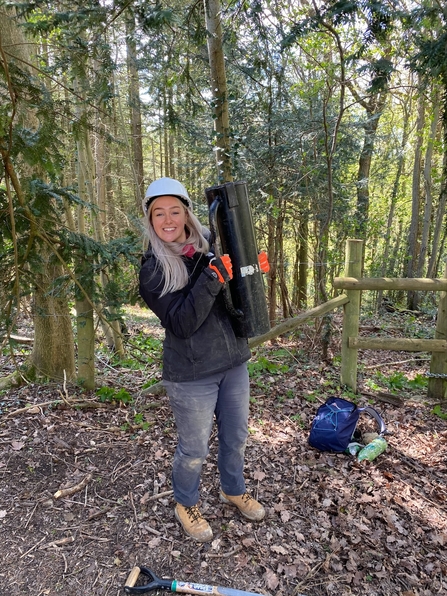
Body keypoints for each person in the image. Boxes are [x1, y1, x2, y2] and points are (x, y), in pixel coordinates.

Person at [139, 177, 265, 543]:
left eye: (174, 211)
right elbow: (181, 323)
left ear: (186, 213)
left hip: (232, 361)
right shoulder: (152, 269)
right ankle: (185, 503)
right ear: (150, 219)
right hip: (191, 374)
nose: (168, 219)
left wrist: (250, 273)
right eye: (158, 212)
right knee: (194, 449)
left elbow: (234, 303)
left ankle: (232, 488)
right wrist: (212, 277)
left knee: (236, 436)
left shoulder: (209, 248)